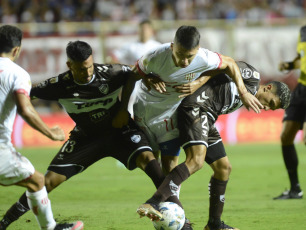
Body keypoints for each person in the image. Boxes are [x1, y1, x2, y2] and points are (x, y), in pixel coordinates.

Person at [0, 40, 189, 230]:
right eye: (81, 69)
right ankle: (5, 222)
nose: (88, 72)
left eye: (90, 66)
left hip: (120, 132)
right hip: (86, 138)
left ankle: (183, 222)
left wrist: (125, 108)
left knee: (151, 164)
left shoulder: (111, 72)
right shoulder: (57, 85)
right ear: (69, 66)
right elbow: (23, 96)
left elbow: (134, 74)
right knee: (47, 182)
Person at [136, 61, 291, 230]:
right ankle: (154, 202)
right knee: (196, 161)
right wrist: (199, 83)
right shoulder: (252, 76)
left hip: (207, 118)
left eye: (272, 109)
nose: (267, 108)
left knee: (223, 168)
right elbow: (224, 64)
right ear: (268, 88)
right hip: (195, 107)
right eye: (272, 103)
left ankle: (214, 224)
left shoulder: (248, 97)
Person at [0, 25, 83, 230]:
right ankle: (50, 228)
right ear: (17, 50)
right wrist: (50, 132)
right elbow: (25, 110)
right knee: (37, 181)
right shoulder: (16, 73)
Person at [273, 25, 306, 200]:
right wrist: (290, 64)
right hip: (302, 88)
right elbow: (302, 58)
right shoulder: (303, 31)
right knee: (286, 136)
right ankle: (295, 189)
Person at [111, 19, 161, 118]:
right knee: (130, 103)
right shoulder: (130, 46)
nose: (144, 31)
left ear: (151, 31)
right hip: (134, 81)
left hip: (152, 81)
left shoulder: (157, 46)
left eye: (146, 29)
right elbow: (113, 58)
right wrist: (127, 68)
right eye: (142, 29)